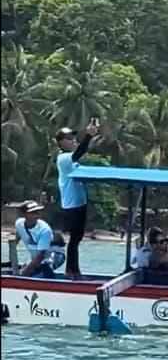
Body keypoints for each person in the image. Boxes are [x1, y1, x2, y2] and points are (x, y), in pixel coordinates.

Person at [54, 119, 99, 279]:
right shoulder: (64, 158)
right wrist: (89, 136)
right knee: (74, 239)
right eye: (69, 139)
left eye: (74, 138)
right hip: (72, 204)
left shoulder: (72, 160)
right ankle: (72, 271)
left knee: (77, 238)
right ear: (61, 142)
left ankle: (73, 270)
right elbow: (80, 152)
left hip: (80, 203)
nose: (73, 140)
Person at [15, 202, 62, 278]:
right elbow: (19, 233)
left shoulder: (45, 230)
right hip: (37, 256)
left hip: (55, 255)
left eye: (37, 212)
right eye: (33, 212)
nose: (37, 215)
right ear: (23, 214)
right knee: (28, 268)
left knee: (44, 267)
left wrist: (23, 275)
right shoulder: (19, 223)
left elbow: (40, 256)